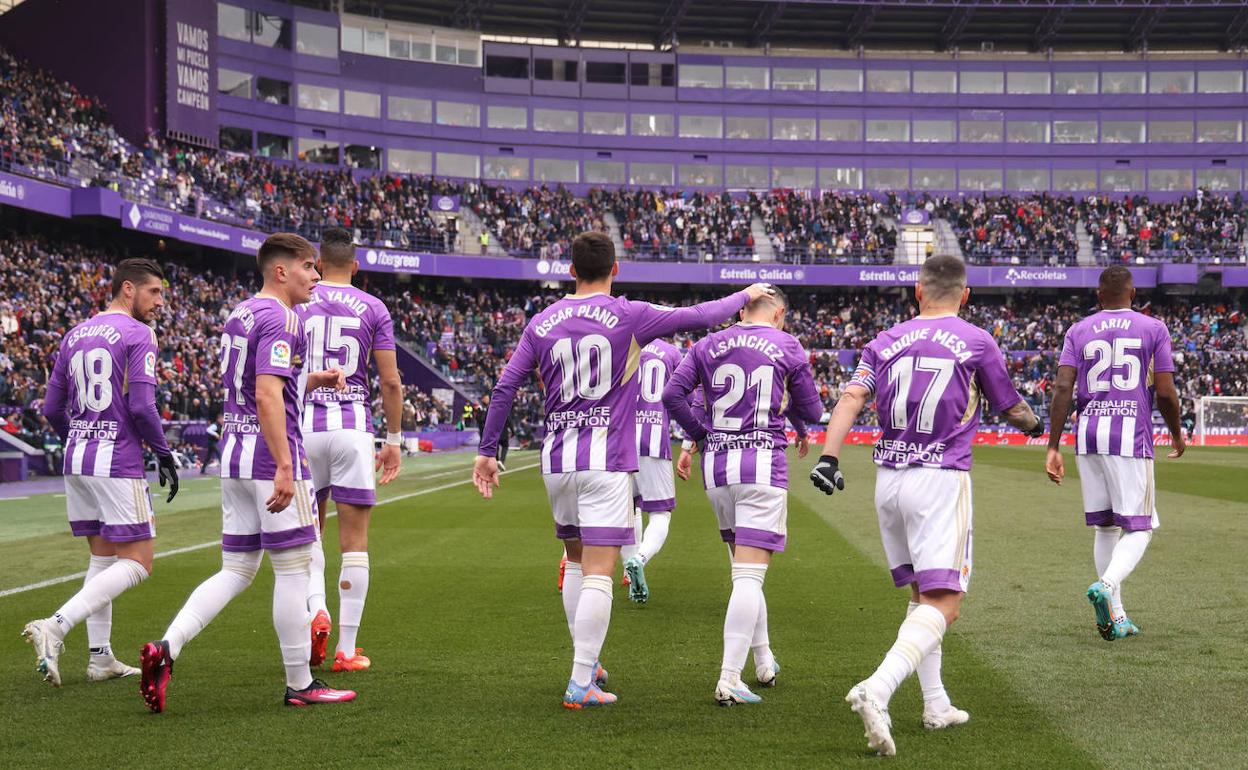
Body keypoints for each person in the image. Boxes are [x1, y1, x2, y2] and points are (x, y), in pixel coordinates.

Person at [472, 230, 774, 709]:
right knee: (598, 572)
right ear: (616, 269)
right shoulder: (628, 314)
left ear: (570, 271)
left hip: (556, 460)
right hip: (606, 461)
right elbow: (699, 316)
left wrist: (489, 450)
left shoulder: (542, 321)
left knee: (573, 562)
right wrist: (746, 295)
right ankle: (580, 683)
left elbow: (506, 385)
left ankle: (587, 665)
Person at [810, 255, 1044, 756]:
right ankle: (878, 686)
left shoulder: (883, 341)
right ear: (965, 295)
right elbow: (1012, 407)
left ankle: (935, 704)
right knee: (948, 601)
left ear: (917, 291)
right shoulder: (977, 340)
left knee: (921, 595)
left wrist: (830, 457)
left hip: (888, 479)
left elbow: (851, 397)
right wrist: (1035, 426)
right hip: (938, 477)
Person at [139, 233, 355, 712]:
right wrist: (283, 464)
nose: (316, 277)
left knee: (236, 568)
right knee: (295, 568)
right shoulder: (282, 317)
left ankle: (166, 648)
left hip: (233, 454)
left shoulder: (241, 312)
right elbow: (265, 394)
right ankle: (301, 684)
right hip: (269, 456)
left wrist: (312, 378)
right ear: (281, 271)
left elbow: (259, 379)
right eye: (308, 267)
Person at [23, 258, 180, 686]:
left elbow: (52, 408)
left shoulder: (75, 334)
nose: (160, 302)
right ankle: (55, 624)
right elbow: (143, 406)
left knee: (103, 558)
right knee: (140, 562)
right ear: (128, 289)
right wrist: (163, 453)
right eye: (154, 293)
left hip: (78, 457)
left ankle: (100, 658)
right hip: (116, 458)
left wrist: (81, 433)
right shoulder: (138, 333)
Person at [663, 287, 822, 705]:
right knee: (749, 577)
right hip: (761, 465)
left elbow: (672, 396)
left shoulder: (707, 343)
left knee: (744, 573)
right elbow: (811, 407)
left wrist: (698, 435)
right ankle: (730, 678)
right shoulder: (785, 343)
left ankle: (764, 660)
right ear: (779, 312)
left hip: (717, 469)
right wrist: (797, 418)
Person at [1044, 265, 1184, 640]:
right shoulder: (1153, 328)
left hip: (1088, 436)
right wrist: (1177, 434)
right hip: (1130, 437)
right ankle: (1106, 585)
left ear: (1098, 296)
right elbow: (1167, 392)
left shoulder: (1078, 330)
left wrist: (1053, 445)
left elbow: (1062, 387)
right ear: (1133, 294)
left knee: (1106, 526)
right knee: (1141, 527)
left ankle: (1117, 617)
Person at [299, 227, 403, 673]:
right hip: (353, 426)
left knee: (307, 535)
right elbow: (391, 381)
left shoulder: (298, 300)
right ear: (355, 266)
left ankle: (314, 610)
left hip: (302, 425)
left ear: (318, 263)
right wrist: (394, 441)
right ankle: (346, 649)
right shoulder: (373, 307)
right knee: (355, 543)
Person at [620, 338, 682, 604]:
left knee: (623, 511)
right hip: (654, 440)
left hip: (618, 441)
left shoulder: (620, 345)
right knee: (660, 514)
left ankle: (625, 570)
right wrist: (692, 443)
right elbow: (683, 396)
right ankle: (639, 558)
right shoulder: (670, 352)